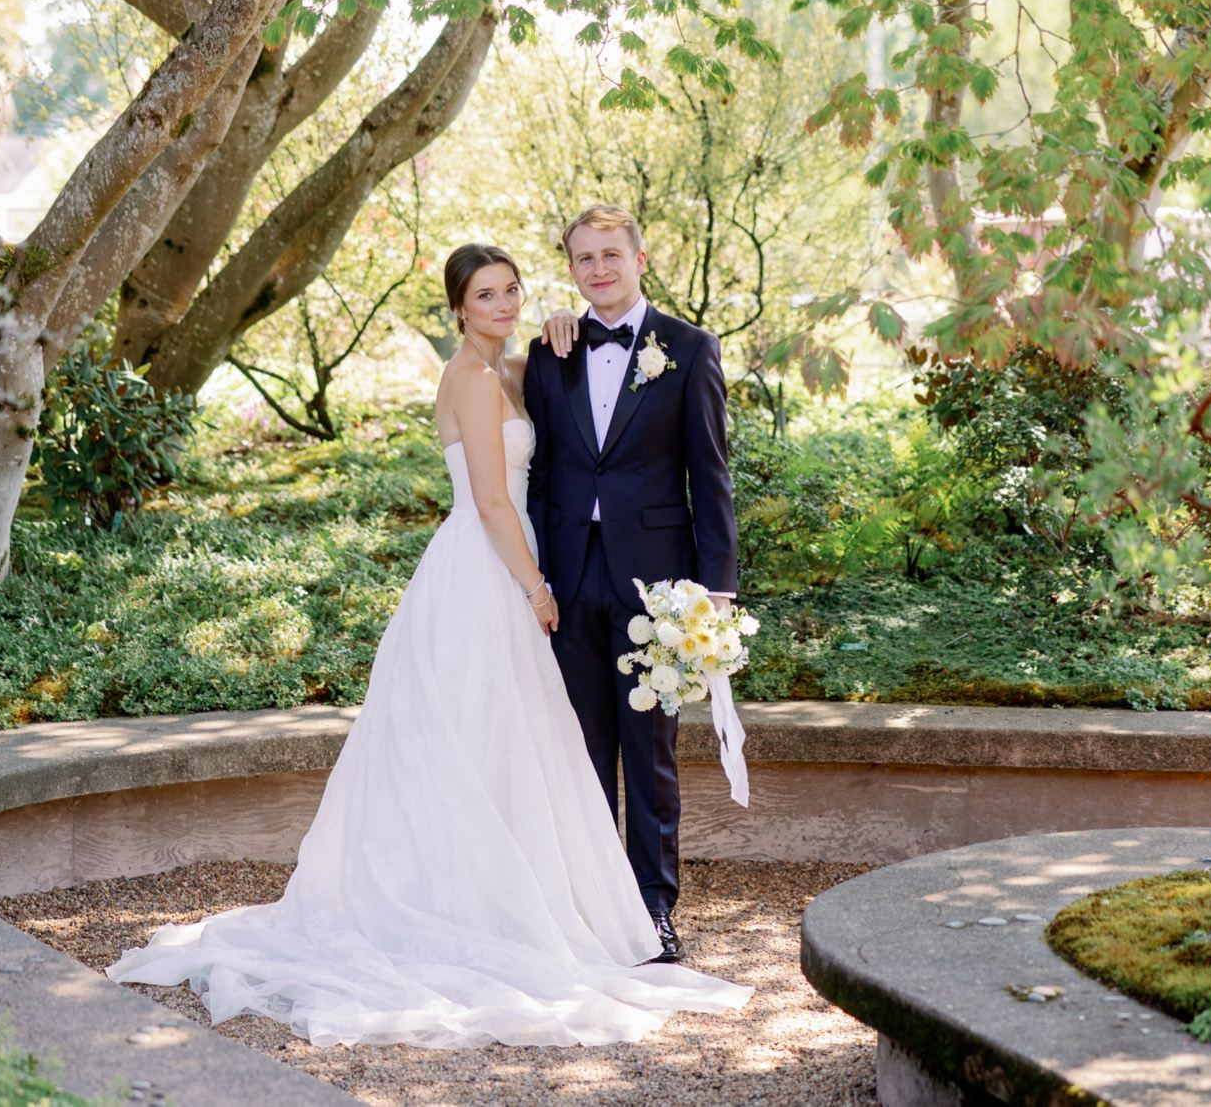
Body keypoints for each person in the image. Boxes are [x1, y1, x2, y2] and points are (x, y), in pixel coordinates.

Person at [105, 243, 750, 1047]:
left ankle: (571, 903)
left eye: (513, 289)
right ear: (458, 309)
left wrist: (566, 328)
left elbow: (589, 416)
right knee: (474, 747)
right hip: (489, 574)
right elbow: (488, 498)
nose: (505, 303)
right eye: (487, 294)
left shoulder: (525, 369)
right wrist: (538, 587)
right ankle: (468, 908)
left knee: (518, 751)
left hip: (550, 576)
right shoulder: (470, 380)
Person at [523, 204, 740, 964]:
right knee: (580, 751)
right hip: (570, 580)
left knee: (649, 754)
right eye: (583, 258)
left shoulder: (688, 347)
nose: (598, 269)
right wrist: (535, 576)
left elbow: (708, 474)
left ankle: (653, 909)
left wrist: (716, 592)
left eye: (610, 254)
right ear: (572, 268)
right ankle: (589, 904)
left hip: (658, 588)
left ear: (640, 257)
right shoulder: (550, 352)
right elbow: (541, 472)